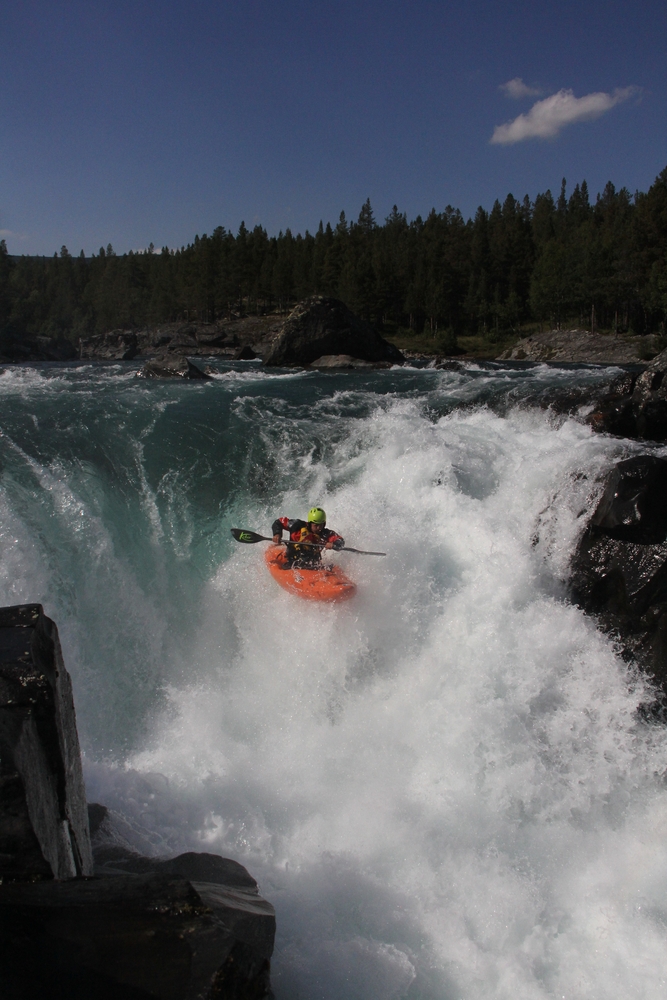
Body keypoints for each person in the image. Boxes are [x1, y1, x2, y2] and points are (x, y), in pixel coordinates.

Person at [271, 507, 344, 567]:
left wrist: (333, 545)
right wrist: (277, 534)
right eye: (316, 525)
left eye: (321, 525)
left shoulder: (325, 534)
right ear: (310, 523)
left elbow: (340, 541)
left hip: (313, 564)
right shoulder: (296, 525)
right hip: (292, 561)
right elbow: (279, 522)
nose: (319, 528)